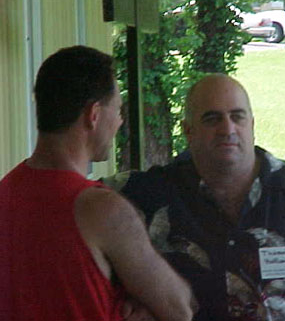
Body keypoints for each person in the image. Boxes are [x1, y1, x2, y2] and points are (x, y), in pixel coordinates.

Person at [121, 73, 285, 321]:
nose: (227, 129)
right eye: (212, 119)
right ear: (188, 131)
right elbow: (81, 199)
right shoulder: (150, 197)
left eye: (237, 116)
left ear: (252, 125)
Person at [0, 46, 195, 321]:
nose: (119, 122)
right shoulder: (101, 209)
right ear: (94, 115)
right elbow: (180, 308)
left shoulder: (6, 193)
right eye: (117, 110)